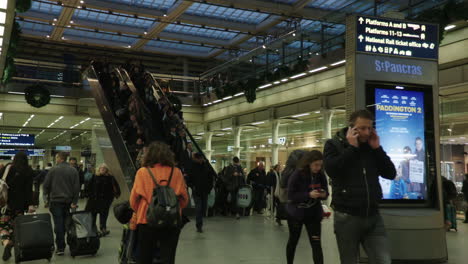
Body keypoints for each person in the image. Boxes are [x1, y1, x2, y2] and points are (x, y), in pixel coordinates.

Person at [323, 109, 396, 264]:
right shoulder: (333, 144)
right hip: (347, 217)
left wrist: (377, 149)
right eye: (362, 128)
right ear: (352, 128)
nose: (367, 132)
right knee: (349, 260)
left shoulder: (371, 148)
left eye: (370, 128)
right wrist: (352, 148)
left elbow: (390, 173)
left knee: (383, 260)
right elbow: (333, 171)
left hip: (373, 216)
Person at [130, 141, 188, 264]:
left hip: (146, 221)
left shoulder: (143, 172)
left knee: (145, 257)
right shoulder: (176, 172)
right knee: (168, 257)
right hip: (171, 221)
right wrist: (172, 208)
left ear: (149, 155)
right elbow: (184, 199)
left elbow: (133, 200)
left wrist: (141, 210)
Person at [286, 150, 328, 264]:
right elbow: (290, 195)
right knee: (293, 241)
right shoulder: (297, 174)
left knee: (316, 244)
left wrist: (323, 194)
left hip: (313, 214)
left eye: (320, 165)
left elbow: (326, 192)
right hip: (296, 213)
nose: (318, 168)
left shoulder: (320, 174)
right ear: (309, 163)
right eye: (316, 165)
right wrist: (308, 195)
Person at [43, 152, 80, 256]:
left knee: (58, 223)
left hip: (55, 201)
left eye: (56, 158)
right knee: (68, 223)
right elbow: (76, 188)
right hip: (68, 202)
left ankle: (60, 247)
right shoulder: (73, 170)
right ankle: (71, 243)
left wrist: (46, 199)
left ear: (59, 158)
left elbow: (45, 185)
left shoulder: (53, 170)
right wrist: (74, 202)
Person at [0, 152, 35, 261]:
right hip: (20, 204)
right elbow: (29, 190)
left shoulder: (8, 167)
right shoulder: (29, 171)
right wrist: (30, 204)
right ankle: (15, 245)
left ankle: (6, 242)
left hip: (6, 203)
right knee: (16, 226)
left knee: (4, 225)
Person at [86, 164, 121, 236]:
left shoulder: (110, 178)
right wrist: (89, 195)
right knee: (93, 215)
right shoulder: (94, 177)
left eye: (104, 168)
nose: (102, 169)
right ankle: (93, 229)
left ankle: (103, 228)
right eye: (101, 168)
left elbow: (116, 187)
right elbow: (88, 187)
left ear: (107, 170)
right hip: (94, 200)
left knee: (104, 215)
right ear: (98, 169)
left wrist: (112, 197)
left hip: (105, 200)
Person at [187, 153, 214, 233]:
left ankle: (200, 221)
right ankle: (199, 225)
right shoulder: (192, 166)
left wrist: (209, 188)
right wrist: (193, 186)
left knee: (203, 207)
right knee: (198, 208)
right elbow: (189, 179)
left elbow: (210, 177)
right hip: (197, 191)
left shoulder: (206, 166)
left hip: (205, 191)